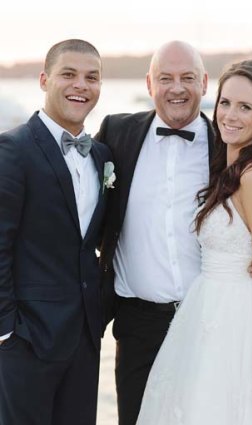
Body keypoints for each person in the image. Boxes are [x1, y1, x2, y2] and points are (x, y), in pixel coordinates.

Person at [97, 41, 252, 425]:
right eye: (166, 78)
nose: (177, 88)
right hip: (137, 323)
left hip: (210, 321)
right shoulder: (116, 133)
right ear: (149, 83)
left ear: (204, 83)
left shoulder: (231, 143)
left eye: (188, 78)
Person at [136, 58, 252, 424]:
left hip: (240, 319)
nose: (230, 115)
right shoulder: (232, 164)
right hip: (206, 310)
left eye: (245, 106)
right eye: (225, 102)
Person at [0, 39, 113, 425]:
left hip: (84, 339)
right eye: (69, 74)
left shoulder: (102, 156)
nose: (81, 85)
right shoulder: (12, 149)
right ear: (45, 80)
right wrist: (7, 332)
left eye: (91, 77)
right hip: (26, 341)